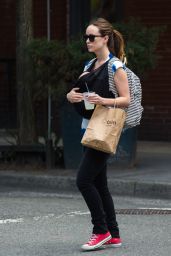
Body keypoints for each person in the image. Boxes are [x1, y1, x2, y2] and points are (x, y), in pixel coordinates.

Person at [66, 17, 130, 251]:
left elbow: (126, 100)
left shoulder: (116, 67)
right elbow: (81, 94)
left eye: (91, 37)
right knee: (99, 184)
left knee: (83, 181)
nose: (87, 40)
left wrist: (103, 100)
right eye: (85, 37)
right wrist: (71, 96)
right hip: (89, 128)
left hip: (105, 131)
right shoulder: (88, 66)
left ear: (105, 39)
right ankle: (113, 234)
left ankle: (100, 230)